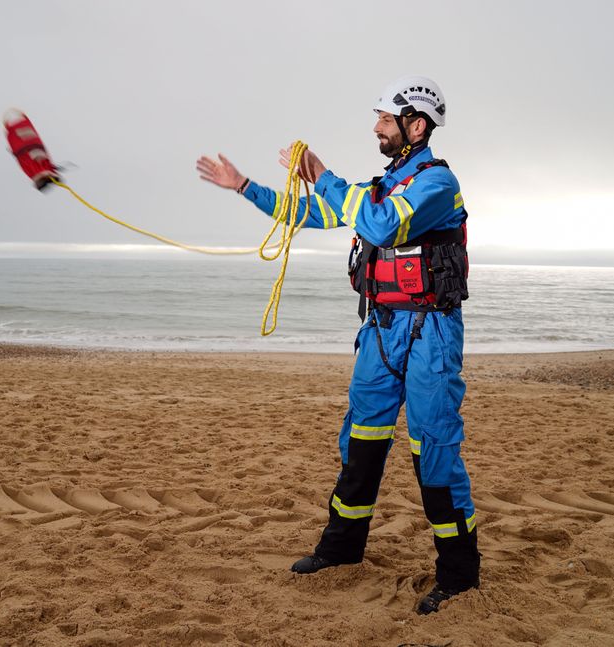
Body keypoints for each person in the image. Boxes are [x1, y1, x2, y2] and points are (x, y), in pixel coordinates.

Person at [196, 76, 479, 615]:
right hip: (379, 329)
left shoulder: (438, 185)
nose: (376, 127)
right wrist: (242, 185)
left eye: (385, 119)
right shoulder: (378, 187)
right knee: (361, 439)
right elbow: (303, 212)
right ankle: (343, 550)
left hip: (431, 333)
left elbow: (379, 226)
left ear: (416, 126)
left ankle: (460, 574)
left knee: (434, 452)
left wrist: (323, 175)